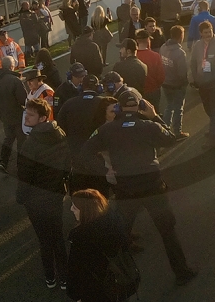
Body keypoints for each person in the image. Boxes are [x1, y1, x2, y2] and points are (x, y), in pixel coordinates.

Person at [78, 89, 199, 285]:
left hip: (126, 189)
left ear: (118, 108)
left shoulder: (106, 130)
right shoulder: (149, 126)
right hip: (153, 186)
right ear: (140, 107)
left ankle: (117, 277)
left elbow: (84, 154)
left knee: (119, 234)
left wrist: (104, 171)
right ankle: (182, 272)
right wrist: (155, 116)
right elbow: (170, 138)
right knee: (168, 231)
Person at [67, 189, 156, 302]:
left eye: (75, 207)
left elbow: (76, 270)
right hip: (120, 284)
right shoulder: (114, 221)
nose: (71, 209)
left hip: (98, 293)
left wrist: (75, 295)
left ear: (86, 210)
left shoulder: (80, 236)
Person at [17, 98, 70, 289]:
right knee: (57, 236)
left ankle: (50, 277)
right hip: (55, 195)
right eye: (26, 113)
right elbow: (66, 165)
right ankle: (64, 277)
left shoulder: (30, 143)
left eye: (30, 115)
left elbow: (24, 175)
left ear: (42, 118)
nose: (26, 118)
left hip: (35, 201)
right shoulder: (60, 134)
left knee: (44, 240)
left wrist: (21, 198)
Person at [58, 78, 113, 196]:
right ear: (99, 88)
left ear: (80, 87)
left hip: (76, 156)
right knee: (100, 198)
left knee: (80, 196)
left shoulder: (69, 103)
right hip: (100, 159)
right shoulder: (106, 104)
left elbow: (60, 128)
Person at [189, 20, 215, 148]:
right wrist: (195, 78)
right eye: (205, 32)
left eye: (210, 31)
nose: (208, 34)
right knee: (208, 109)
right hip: (202, 84)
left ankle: (213, 138)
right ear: (201, 33)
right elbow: (193, 62)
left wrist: (213, 77)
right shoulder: (197, 45)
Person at [0, 62, 27, 173]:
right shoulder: (15, 81)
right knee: (22, 141)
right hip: (18, 116)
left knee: (8, 139)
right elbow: (23, 100)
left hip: (4, 116)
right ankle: (22, 165)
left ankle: (3, 161)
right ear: (11, 66)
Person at [158, 26, 190, 137]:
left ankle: (165, 130)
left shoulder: (163, 47)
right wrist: (185, 82)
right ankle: (177, 131)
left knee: (169, 107)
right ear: (180, 36)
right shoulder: (180, 53)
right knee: (178, 108)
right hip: (177, 85)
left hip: (166, 82)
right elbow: (182, 73)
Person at [134, 30, 166, 111]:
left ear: (137, 41)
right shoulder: (155, 56)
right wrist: (157, 85)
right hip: (153, 90)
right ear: (148, 40)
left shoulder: (134, 56)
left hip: (137, 91)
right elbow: (161, 76)